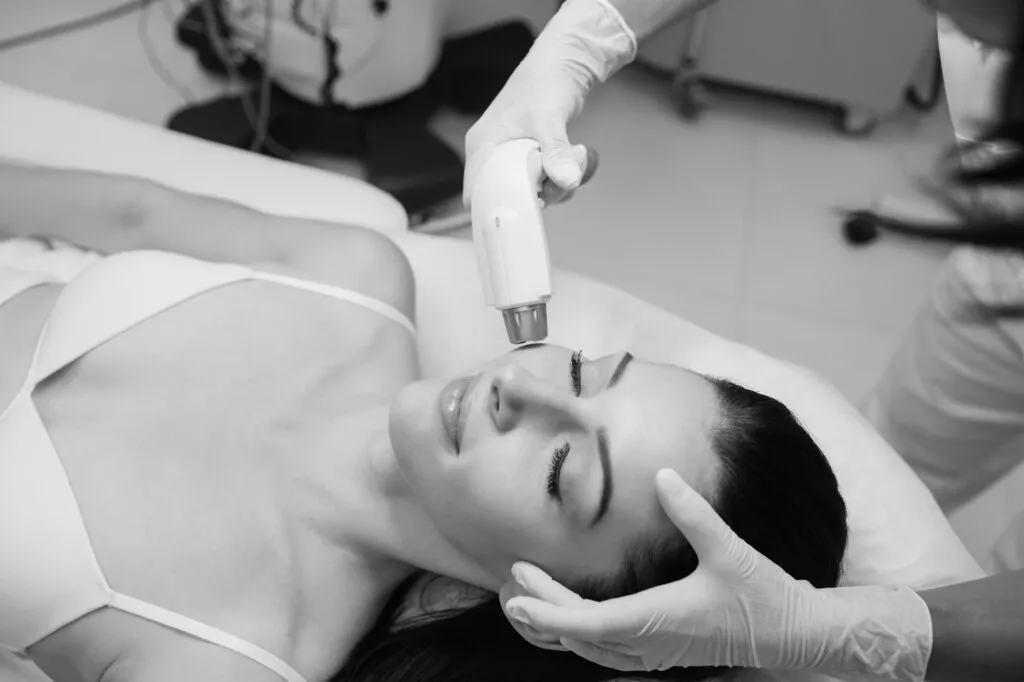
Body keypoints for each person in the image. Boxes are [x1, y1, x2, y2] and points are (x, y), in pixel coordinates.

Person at [0, 159, 848, 682]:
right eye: (586, 373)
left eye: (564, 473)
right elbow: (125, 213)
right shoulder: (355, 272)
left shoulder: (226, 658)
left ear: (551, 601)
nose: (526, 392)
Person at [483, 0, 1024, 680]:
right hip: (1007, 255)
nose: (513, 378)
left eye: (564, 472)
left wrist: (849, 634)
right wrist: (585, 37)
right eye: (582, 371)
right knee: (907, 452)